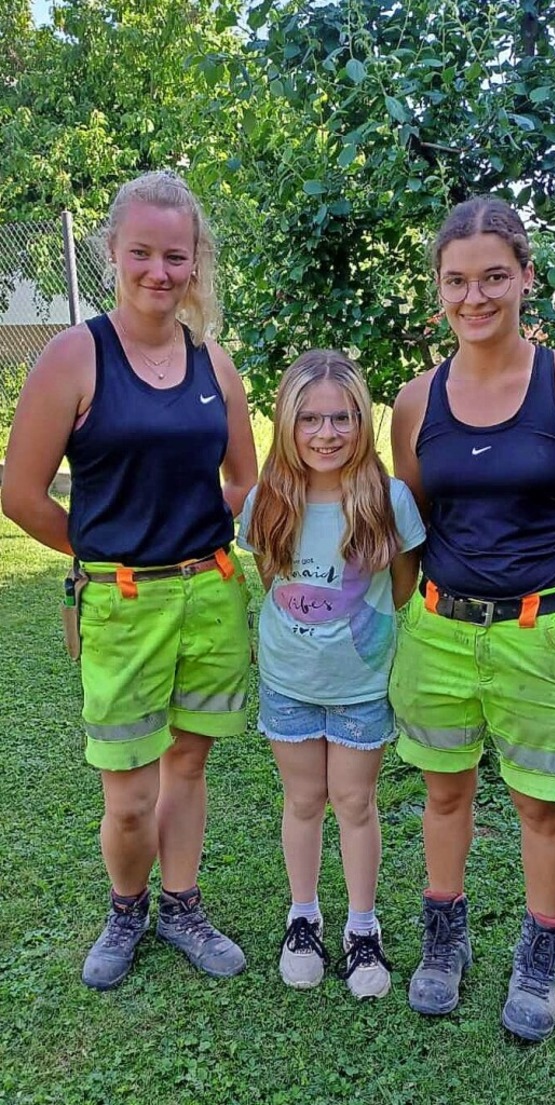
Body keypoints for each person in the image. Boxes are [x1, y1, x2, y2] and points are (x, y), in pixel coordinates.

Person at [389, 196, 555, 1041]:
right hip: (439, 633)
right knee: (445, 791)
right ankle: (443, 941)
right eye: (457, 280)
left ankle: (538, 957)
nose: (475, 297)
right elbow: (411, 523)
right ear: (439, 289)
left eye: (495, 275)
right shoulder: (416, 400)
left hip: (542, 637)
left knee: (541, 805)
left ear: (528, 276)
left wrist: (554, 588)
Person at [2, 170, 258, 990]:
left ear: (195, 263)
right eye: (142, 252)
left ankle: (181, 905)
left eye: (175, 256)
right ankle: (126, 908)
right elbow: (19, 492)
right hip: (121, 602)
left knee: (188, 765)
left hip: (211, 593)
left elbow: (243, 481)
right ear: (112, 250)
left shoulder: (211, 360)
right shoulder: (76, 354)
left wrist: (194, 530)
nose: (159, 270)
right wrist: (100, 550)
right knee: (128, 794)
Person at [237, 350, 425, 999]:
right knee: (304, 800)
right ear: (288, 423)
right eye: (310, 418)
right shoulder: (268, 501)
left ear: (361, 421)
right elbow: (271, 577)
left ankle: (362, 928)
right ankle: (303, 917)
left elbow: (401, 588)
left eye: (341, 417)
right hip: (288, 684)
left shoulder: (387, 498)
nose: (325, 432)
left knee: (354, 801)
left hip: (360, 688)